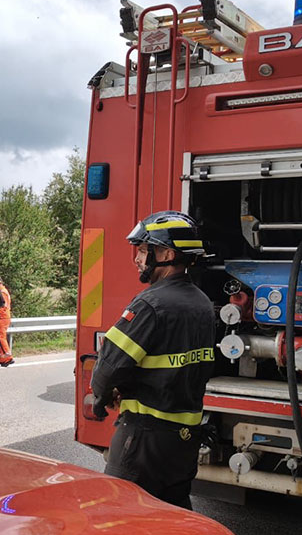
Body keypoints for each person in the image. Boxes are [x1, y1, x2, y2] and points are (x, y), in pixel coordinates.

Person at [89, 210, 213, 510]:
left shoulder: (150, 304)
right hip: (184, 441)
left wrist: (100, 399)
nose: (137, 259)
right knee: (173, 516)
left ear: (167, 254)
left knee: (121, 516)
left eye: (144, 250)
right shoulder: (203, 303)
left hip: (144, 439)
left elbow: (109, 366)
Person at [0, 276, 14, 367]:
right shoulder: (1, 291)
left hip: (3, 317)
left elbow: (3, 306)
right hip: (3, 316)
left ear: (0, 282)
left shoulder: (2, 292)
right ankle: (3, 357)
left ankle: (7, 356)